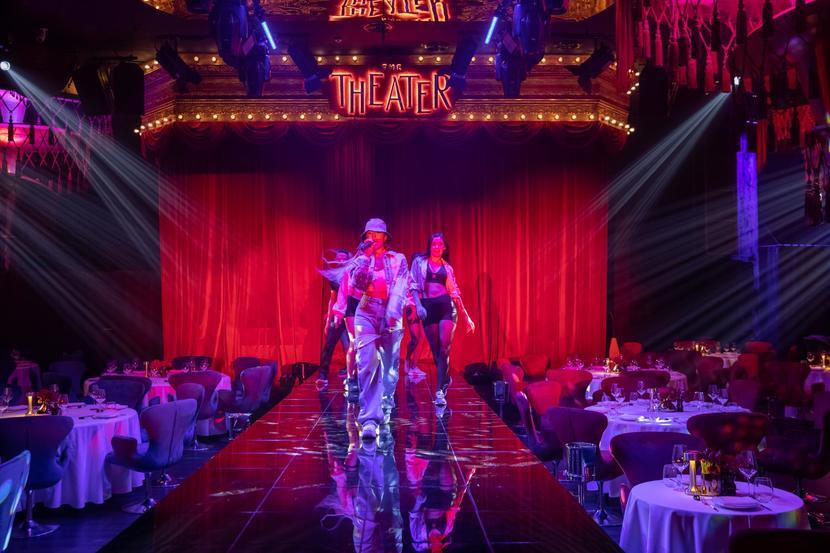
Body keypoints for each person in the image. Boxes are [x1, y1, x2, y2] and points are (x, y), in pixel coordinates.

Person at [348, 218, 408, 441]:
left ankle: (385, 405)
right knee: (367, 363)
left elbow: (401, 287)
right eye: (369, 234)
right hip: (366, 311)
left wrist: (392, 313)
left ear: (385, 236)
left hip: (390, 312)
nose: (372, 237)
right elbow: (358, 284)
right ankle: (369, 419)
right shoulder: (360, 259)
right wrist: (365, 258)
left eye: (376, 233)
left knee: (390, 369)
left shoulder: (398, 259)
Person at [410, 233, 475, 407]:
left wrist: (466, 316)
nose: (437, 247)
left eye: (440, 244)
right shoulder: (419, 262)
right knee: (436, 351)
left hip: (446, 307)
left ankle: (440, 391)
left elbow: (455, 293)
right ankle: (445, 377)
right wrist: (418, 306)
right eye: (434, 244)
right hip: (427, 308)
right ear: (429, 246)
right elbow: (413, 286)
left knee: (444, 347)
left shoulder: (448, 268)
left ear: (444, 248)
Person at [318, 249, 353, 390]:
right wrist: (328, 320)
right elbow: (332, 299)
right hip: (338, 314)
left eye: (343, 258)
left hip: (350, 313)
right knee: (329, 344)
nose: (340, 260)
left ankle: (351, 374)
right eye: (338, 258)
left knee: (349, 345)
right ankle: (323, 374)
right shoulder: (333, 278)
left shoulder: (352, 273)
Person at [403, 253, 427, 380]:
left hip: (422, 307)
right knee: (415, 338)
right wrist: (412, 308)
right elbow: (406, 294)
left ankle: (414, 366)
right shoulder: (407, 275)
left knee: (423, 337)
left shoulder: (423, 274)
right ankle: (407, 360)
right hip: (412, 307)